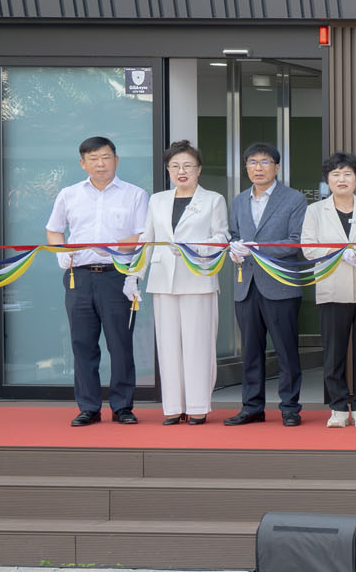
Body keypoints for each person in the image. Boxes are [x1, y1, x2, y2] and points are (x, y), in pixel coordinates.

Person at [44, 136, 150, 426]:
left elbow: (144, 235)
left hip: (117, 276)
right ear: (83, 163)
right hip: (78, 276)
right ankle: (88, 407)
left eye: (105, 157)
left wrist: (113, 246)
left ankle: (122, 406)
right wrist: (61, 253)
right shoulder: (69, 194)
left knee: (120, 344)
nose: (100, 163)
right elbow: (54, 230)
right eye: (93, 158)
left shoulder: (135, 194)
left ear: (116, 160)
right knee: (82, 344)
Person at [135, 140, 226, 426]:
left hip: (198, 278)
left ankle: (198, 406)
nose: (181, 171)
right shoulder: (157, 200)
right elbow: (147, 239)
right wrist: (134, 275)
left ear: (199, 169)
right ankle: (173, 407)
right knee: (168, 345)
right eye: (174, 166)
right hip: (163, 280)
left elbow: (222, 237)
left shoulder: (213, 200)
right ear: (168, 170)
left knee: (198, 344)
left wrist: (194, 247)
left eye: (187, 165)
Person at [224, 141, 308, 427]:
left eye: (264, 162)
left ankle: (290, 407)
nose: (257, 168)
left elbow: (296, 241)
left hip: (280, 284)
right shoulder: (238, 200)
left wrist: (258, 248)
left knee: (286, 350)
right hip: (246, 284)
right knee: (250, 351)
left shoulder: (294, 199)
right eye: (252, 162)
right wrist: (234, 249)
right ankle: (252, 407)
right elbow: (233, 235)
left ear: (277, 167)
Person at [302, 151, 356, 427]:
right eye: (336, 174)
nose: (342, 179)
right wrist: (338, 252)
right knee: (334, 351)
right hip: (332, 287)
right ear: (327, 179)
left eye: (347, 174)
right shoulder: (315, 211)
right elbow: (308, 248)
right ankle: (338, 408)